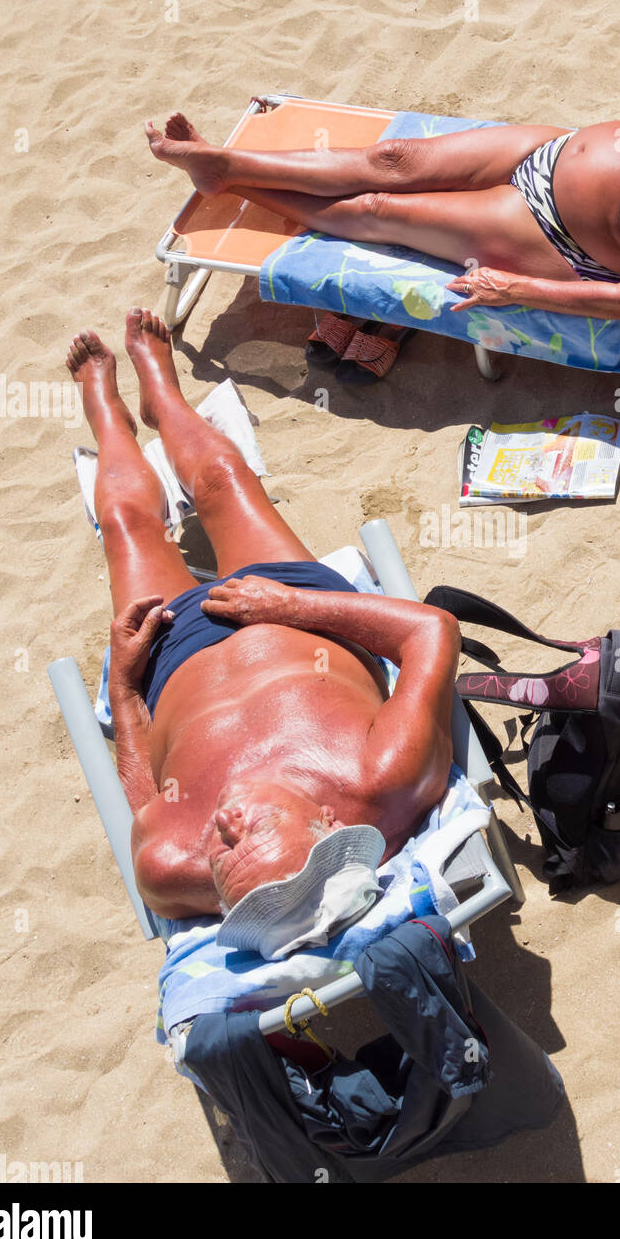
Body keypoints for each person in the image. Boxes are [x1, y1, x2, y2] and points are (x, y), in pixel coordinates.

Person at [144, 0, 620, 341]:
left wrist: (517, 292)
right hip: (545, 150)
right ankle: (227, 161)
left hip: (549, 231)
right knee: (392, 158)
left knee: (375, 211)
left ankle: (227, 177)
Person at [66, 308, 460, 935]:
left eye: (222, 856)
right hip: (295, 614)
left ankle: (106, 415)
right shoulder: (385, 776)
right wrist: (287, 606)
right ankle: (162, 392)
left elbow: (145, 804)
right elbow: (432, 631)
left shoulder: (171, 870)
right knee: (224, 482)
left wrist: (124, 687)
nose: (223, 825)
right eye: (255, 830)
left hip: (170, 657)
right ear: (330, 824)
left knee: (127, 528)